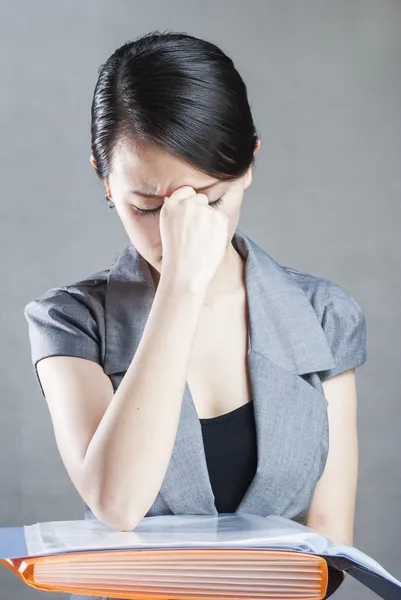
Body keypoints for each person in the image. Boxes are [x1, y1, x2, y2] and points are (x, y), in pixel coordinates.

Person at [24, 30, 367, 599]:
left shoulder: (323, 315)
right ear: (105, 180)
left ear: (249, 162)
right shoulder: (70, 320)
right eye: (148, 206)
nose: (181, 230)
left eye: (208, 201)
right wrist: (181, 286)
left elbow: (328, 550)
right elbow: (118, 502)